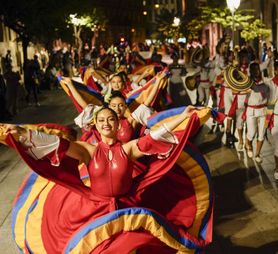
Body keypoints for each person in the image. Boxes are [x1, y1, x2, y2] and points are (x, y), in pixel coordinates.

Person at [0, 106, 212, 253]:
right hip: (95, 209)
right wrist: (21, 133)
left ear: (118, 123)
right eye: (101, 120)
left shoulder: (128, 149)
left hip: (128, 208)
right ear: (96, 125)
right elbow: (55, 144)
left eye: (110, 119)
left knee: (135, 246)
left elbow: (156, 137)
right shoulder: (87, 151)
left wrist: (184, 116)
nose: (106, 123)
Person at [244, 62, 269, 162]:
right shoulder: (247, 82)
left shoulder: (266, 81)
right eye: (254, 70)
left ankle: (257, 154)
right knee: (251, 133)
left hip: (263, 110)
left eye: (258, 69)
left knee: (262, 134)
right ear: (250, 71)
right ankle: (248, 145)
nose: (257, 71)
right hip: (251, 110)